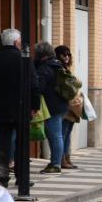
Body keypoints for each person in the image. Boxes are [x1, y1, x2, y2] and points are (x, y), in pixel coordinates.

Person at [0, 29, 39, 187]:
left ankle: (3, 179)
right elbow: (34, 84)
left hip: (0, 110)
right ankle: (22, 178)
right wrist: (35, 105)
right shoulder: (24, 59)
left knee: (1, 145)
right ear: (16, 43)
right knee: (22, 145)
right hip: (22, 108)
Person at [35, 42, 69, 174]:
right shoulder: (58, 65)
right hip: (61, 104)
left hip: (52, 106)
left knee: (55, 135)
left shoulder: (44, 68)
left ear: (41, 55)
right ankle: (56, 162)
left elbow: (39, 87)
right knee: (58, 135)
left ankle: (55, 164)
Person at [55, 45, 83, 169]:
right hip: (66, 105)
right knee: (63, 133)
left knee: (67, 133)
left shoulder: (66, 68)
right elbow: (73, 84)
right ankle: (62, 159)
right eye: (63, 54)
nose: (66, 57)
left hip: (72, 106)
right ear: (58, 55)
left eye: (68, 54)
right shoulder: (60, 69)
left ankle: (67, 158)